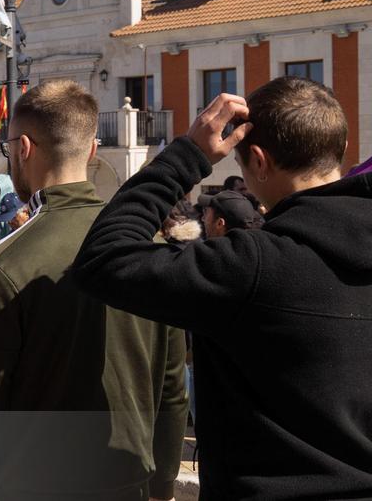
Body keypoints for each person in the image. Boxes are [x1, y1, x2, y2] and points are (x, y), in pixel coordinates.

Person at [73, 77, 372, 499]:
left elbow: (104, 260)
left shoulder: (254, 264)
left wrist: (188, 156)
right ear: (339, 151)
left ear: (259, 162)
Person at [0, 80, 187, 501]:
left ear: (23, 149)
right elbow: (171, 389)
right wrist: (162, 486)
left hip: (30, 487)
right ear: (91, 151)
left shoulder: (0, 263)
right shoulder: (153, 248)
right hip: (131, 482)